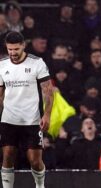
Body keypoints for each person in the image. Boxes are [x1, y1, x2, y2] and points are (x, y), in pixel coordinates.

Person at [0, 31, 54, 188]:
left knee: (35, 161)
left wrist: (47, 115)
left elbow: (48, 91)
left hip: (31, 119)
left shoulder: (37, 63)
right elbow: (1, 96)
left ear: (23, 46)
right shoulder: (2, 65)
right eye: (10, 49)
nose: (13, 53)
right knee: (7, 156)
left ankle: (40, 185)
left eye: (16, 49)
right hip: (9, 119)